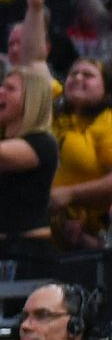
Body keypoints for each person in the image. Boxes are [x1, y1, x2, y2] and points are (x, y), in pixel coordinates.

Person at [49, 58, 112, 240]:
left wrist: (71, 194)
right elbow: (36, 69)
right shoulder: (60, 116)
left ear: (107, 91)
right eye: (73, 74)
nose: (77, 78)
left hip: (95, 233)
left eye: (88, 75)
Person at [0, 69, 60, 259]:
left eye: (10, 88)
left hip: (28, 251)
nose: (1, 91)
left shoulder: (42, 142)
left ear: (31, 100)